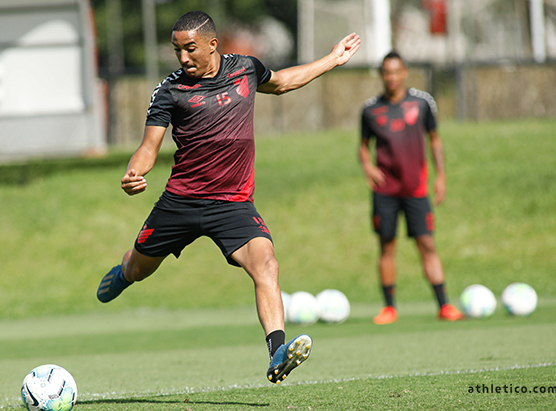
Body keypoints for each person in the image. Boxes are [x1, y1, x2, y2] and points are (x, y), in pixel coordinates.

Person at [96, 11, 361, 383]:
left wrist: (332, 59)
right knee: (139, 270)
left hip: (232, 204)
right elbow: (148, 146)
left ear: (212, 44)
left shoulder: (245, 69)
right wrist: (134, 172)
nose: (183, 57)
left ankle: (277, 353)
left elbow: (283, 82)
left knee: (266, 264)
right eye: (177, 50)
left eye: (190, 49)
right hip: (180, 203)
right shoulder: (170, 90)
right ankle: (125, 270)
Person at [358, 51, 463, 325]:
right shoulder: (370, 109)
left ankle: (444, 305)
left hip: (416, 188)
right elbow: (363, 147)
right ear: (381, 75)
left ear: (405, 72)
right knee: (387, 246)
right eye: (386, 72)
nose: (391, 77)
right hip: (385, 190)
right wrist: (368, 167)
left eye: (396, 72)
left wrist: (441, 176)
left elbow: (435, 139)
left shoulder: (423, 102)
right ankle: (389, 308)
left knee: (426, 243)